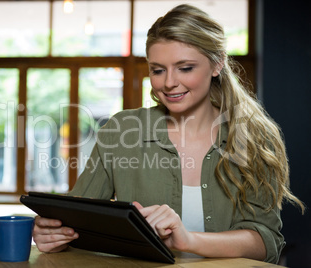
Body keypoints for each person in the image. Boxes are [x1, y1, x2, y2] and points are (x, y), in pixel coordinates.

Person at [32, 4, 304, 264]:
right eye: (158, 70)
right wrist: (53, 232)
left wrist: (187, 240)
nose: (169, 82)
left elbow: (266, 242)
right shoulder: (121, 130)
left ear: (217, 64)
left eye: (185, 68)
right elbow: (79, 217)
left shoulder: (255, 137)